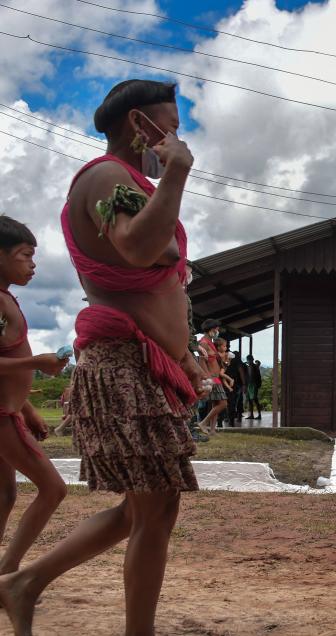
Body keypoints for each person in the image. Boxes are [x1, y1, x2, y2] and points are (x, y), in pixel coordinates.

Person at [0, 79, 207, 635]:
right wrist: (180, 171)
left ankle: (25, 582)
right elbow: (138, 247)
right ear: (141, 125)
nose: (176, 137)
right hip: (123, 369)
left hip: (142, 367)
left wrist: (183, 358)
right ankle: (32, 586)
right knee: (152, 511)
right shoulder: (105, 176)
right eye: (170, 125)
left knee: (146, 511)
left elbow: (151, 270)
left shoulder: (128, 182)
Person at [0, 217, 69, 579]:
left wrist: (28, 408)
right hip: (1, 417)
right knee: (53, 489)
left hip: (10, 412)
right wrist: (36, 362)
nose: (33, 264)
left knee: (5, 497)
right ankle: (8, 572)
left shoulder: (7, 299)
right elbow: (15, 363)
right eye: (24, 255)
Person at [197, 320, 228, 435]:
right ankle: (203, 423)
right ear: (212, 329)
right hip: (212, 378)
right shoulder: (203, 343)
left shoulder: (210, 342)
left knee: (216, 404)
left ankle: (212, 430)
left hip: (216, 377)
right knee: (223, 403)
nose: (217, 331)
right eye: (217, 329)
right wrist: (207, 377)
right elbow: (201, 360)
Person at [245, 354, 262, 420]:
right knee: (250, 400)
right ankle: (251, 415)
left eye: (250, 360)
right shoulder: (249, 367)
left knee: (255, 399)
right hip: (250, 385)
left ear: (252, 360)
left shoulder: (255, 367)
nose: (249, 361)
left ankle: (259, 415)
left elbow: (258, 377)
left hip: (254, 385)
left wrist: (258, 385)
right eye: (248, 360)